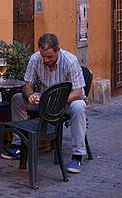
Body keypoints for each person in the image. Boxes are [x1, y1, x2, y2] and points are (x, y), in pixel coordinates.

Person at [6, 33, 88, 174]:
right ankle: (18, 144)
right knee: (18, 99)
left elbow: (78, 93)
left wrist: (55, 101)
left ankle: (77, 155)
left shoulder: (70, 61)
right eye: (43, 56)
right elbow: (28, 84)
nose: (46, 60)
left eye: (50, 56)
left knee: (79, 106)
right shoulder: (35, 59)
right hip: (45, 99)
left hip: (67, 101)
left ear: (58, 50)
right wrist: (30, 95)